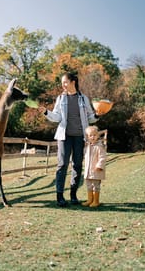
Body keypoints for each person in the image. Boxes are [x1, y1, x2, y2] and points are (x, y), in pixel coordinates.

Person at [39, 72, 101, 207]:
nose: (63, 85)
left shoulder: (83, 98)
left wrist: (97, 115)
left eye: (65, 82)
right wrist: (46, 112)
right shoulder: (61, 99)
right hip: (64, 137)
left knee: (77, 165)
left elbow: (90, 117)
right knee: (62, 165)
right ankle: (59, 196)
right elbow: (57, 117)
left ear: (73, 82)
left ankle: (73, 195)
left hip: (80, 137)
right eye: (62, 83)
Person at [82, 125, 107, 208]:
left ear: (98, 136)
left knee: (96, 185)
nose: (92, 137)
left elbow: (102, 157)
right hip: (88, 171)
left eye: (94, 135)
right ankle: (90, 200)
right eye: (90, 135)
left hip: (96, 170)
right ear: (87, 137)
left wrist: (99, 166)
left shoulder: (99, 146)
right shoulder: (87, 147)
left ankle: (96, 201)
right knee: (89, 185)